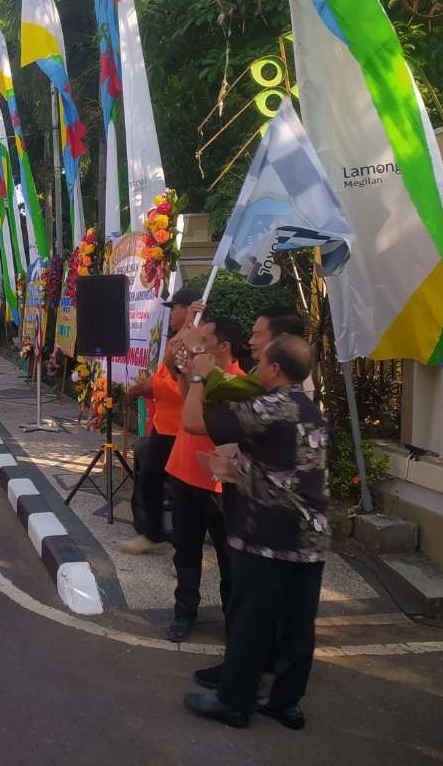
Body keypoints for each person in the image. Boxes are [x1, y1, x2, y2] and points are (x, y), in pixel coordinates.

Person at [180, 335, 330, 730]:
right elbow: (292, 473)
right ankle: (286, 704)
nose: (256, 367)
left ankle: (234, 703)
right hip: (311, 536)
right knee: (298, 626)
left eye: (261, 361)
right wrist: (236, 471)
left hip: (268, 535)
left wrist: (198, 378)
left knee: (251, 621)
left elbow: (193, 422)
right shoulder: (311, 410)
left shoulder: (268, 406)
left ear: (276, 369)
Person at [161, 316, 246, 642]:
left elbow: (200, 421)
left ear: (224, 346)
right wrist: (186, 363)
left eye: (205, 339)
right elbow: (179, 382)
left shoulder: (236, 383)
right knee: (185, 550)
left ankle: (233, 619)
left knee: (228, 556)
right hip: (184, 472)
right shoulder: (199, 376)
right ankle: (184, 612)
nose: (199, 343)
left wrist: (195, 374)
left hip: (219, 484)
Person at [120, 288, 204, 555]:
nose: (170, 314)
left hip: (183, 429)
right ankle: (153, 535)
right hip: (164, 426)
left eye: (174, 308)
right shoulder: (177, 339)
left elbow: (183, 385)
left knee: (184, 491)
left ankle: (188, 548)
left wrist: (153, 387)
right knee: (149, 479)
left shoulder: (197, 341)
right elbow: (166, 372)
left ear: (188, 308)